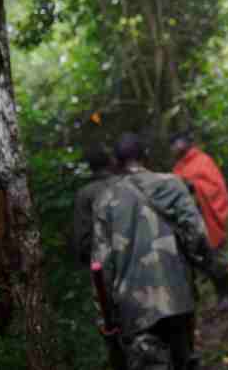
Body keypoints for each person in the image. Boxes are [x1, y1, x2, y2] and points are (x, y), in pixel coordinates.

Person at [92, 133, 210, 370]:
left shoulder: (105, 199)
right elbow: (197, 234)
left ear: (116, 162)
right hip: (178, 296)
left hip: (134, 309)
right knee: (184, 362)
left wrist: (104, 314)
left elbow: (101, 265)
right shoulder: (173, 184)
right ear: (145, 155)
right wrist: (197, 266)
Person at [72, 144, 126, 370]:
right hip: (136, 261)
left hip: (103, 272)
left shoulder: (85, 194)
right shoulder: (125, 184)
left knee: (112, 328)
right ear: (111, 161)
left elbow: (82, 241)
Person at [171, 132, 228, 312]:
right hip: (193, 224)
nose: (175, 146)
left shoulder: (203, 160)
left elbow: (217, 187)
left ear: (186, 143)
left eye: (178, 142)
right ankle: (220, 295)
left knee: (218, 259)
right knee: (206, 261)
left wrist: (194, 187)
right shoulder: (177, 168)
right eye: (173, 144)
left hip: (209, 219)